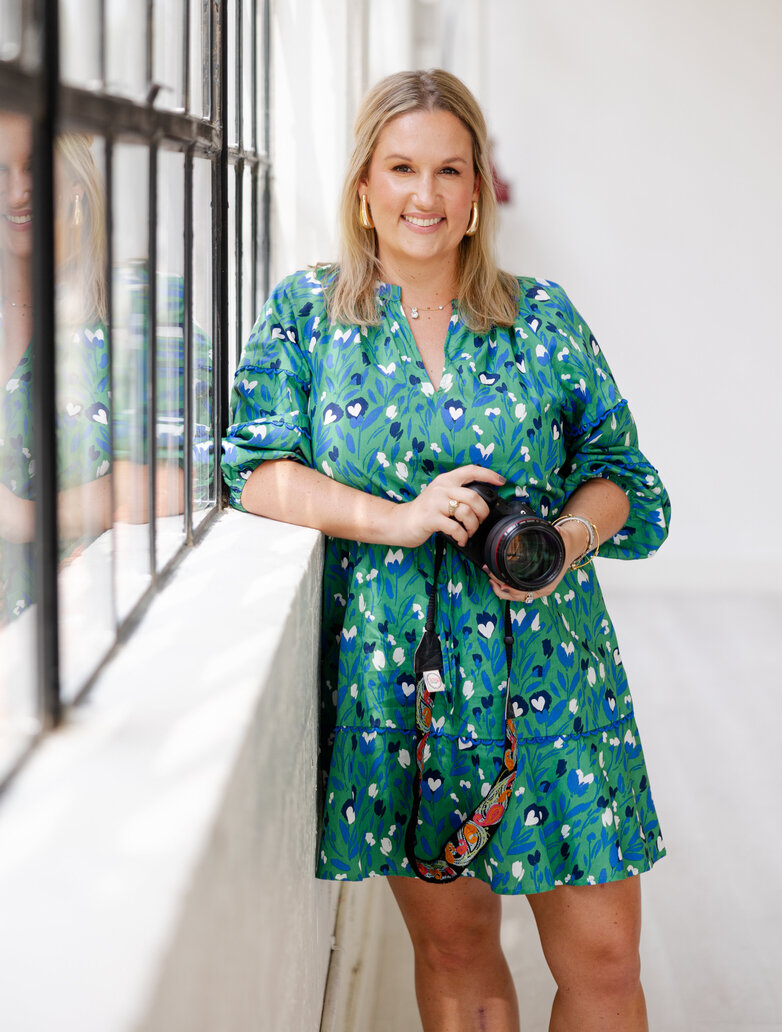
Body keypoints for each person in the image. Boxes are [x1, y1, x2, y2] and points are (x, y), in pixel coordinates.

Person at [222, 70, 670, 1032]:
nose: (424, 195)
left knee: (605, 957)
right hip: (399, 683)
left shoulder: (540, 317)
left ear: (477, 194)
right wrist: (397, 519)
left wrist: (568, 540)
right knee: (459, 952)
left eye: (448, 171)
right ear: (363, 187)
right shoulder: (308, 315)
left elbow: (620, 474)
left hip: (549, 660)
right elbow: (253, 471)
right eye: (401, 168)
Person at [0, 111, 111, 624]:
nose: (17, 191)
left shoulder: (128, 312)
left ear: (75, 183)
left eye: (33, 167)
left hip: (77, 632)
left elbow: (182, 475)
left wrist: (25, 517)